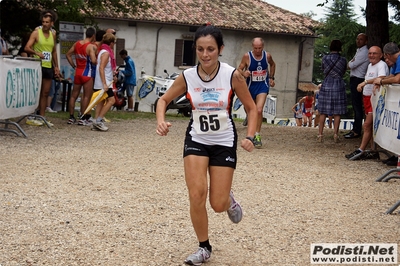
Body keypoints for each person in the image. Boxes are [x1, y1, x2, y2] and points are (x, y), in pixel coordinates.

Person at [155, 24, 257, 265]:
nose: (205, 54)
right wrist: (161, 120)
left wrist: (250, 136)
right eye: (200, 49)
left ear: (220, 49)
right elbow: (163, 99)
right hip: (197, 139)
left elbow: (252, 108)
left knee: (217, 204)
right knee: (196, 194)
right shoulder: (188, 76)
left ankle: (228, 199)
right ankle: (204, 247)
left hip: (223, 141)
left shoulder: (232, 75)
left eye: (211, 49)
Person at [345, 46, 389, 160]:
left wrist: (364, 82)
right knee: (370, 125)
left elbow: (381, 78)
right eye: (370, 53)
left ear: (381, 55)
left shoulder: (381, 65)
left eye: (374, 53)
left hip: (374, 98)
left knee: (367, 125)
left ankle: (361, 150)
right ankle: (373, 149)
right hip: (367, 97)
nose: (371, 55)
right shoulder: (370, 65)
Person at [238, 37, 276, 148]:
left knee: (258, 110)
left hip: (262, 86)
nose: (258, 51)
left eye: (260, 48)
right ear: (252, 47)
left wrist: (272, 77)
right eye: (255, 48)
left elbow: (273, 64)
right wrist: (244, 73)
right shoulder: (247, 56)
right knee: (250, 109)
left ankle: (257, 136)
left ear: (263, 47)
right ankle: (249, 116)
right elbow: (239, 68)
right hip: (250, 86)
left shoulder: (267, 56)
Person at [25, 10, 60, 125]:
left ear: (52, 23)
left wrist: (56, 66)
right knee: (35, 91)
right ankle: (31, 114)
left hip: (48, 66)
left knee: (45, 92)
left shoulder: (53, 34)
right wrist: (36, 53)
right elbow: (27, 47)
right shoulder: (36, 33)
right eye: (43, 22)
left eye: (47, 22)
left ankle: (42, 116)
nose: (44, 24)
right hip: (37, 65)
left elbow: (54, 51)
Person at [66, 27, 97, 125]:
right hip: (87, 73)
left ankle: (71, 117)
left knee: (74, 95)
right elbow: (93, 60)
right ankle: (83, 118)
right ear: (93, 36)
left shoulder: (77, 43)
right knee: (86, 96)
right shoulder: (90, 46)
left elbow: (68, 55)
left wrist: (74, 65)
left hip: (78, 72)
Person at [317, 39, 347, 143]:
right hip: (338, 84)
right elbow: (343, 72)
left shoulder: (325, 58)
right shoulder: (343, 60)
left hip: (327, 83)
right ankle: (335, 134)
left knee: (323, 111)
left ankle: (320, 134)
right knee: (337, 112)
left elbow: (323, 69)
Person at [344, 33, 369, 139]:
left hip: (358, 78)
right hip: (355, 78)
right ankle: (356, 128)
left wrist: (350, 63)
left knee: (357, 105)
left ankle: (357, 130)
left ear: (366, 41)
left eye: (361, 39)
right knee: (355, 105)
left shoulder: (364, 52)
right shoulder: (359, 51)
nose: (358, 41)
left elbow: (351, 65)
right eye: (357, 39)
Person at [92, 33, 117, 131]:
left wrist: (113, 76)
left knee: (101, 101)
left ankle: (96, 121)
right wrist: (104, 83)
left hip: (103, 81)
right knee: (111, 101)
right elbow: (101, 68)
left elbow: (106, 68)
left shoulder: (102, 51)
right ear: (111, 43)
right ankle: (99, 120)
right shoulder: (106, 53)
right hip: (104, 82)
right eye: (113, 43)